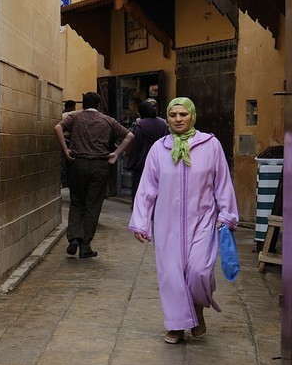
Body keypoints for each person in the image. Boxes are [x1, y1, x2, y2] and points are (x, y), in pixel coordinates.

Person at [128, 96, 239, 345]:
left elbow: (222, 182)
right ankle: (177, 326)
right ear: (167, 119)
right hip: (167, 223)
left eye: (183, 114)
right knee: (172, 275)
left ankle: (197, 308)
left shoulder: (210, 145)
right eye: (173, 115)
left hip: (203, 220)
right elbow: (147, 187)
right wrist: (142, 221)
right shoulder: (159, 148)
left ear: (192, 116)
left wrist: (226, 215)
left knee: (200, 270)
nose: (178, 119)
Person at [55, 92, 134, 259]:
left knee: (77, 202)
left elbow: (58, 127)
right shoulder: (108, 120)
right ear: (98, 105)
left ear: (83, 103)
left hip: (78, 163)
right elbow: (129, 135)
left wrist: (65, 148)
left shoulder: (75, 117)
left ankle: (74, 238)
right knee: (93, 204)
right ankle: (85, 245)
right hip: (99, 166)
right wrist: (116, 153)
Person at [124, 99, 168, 199]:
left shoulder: (139, 126)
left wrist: (131, 163)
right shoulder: (163, 124)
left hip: (142, 163)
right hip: (160, 163)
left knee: (140, 190)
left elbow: (135, 147)